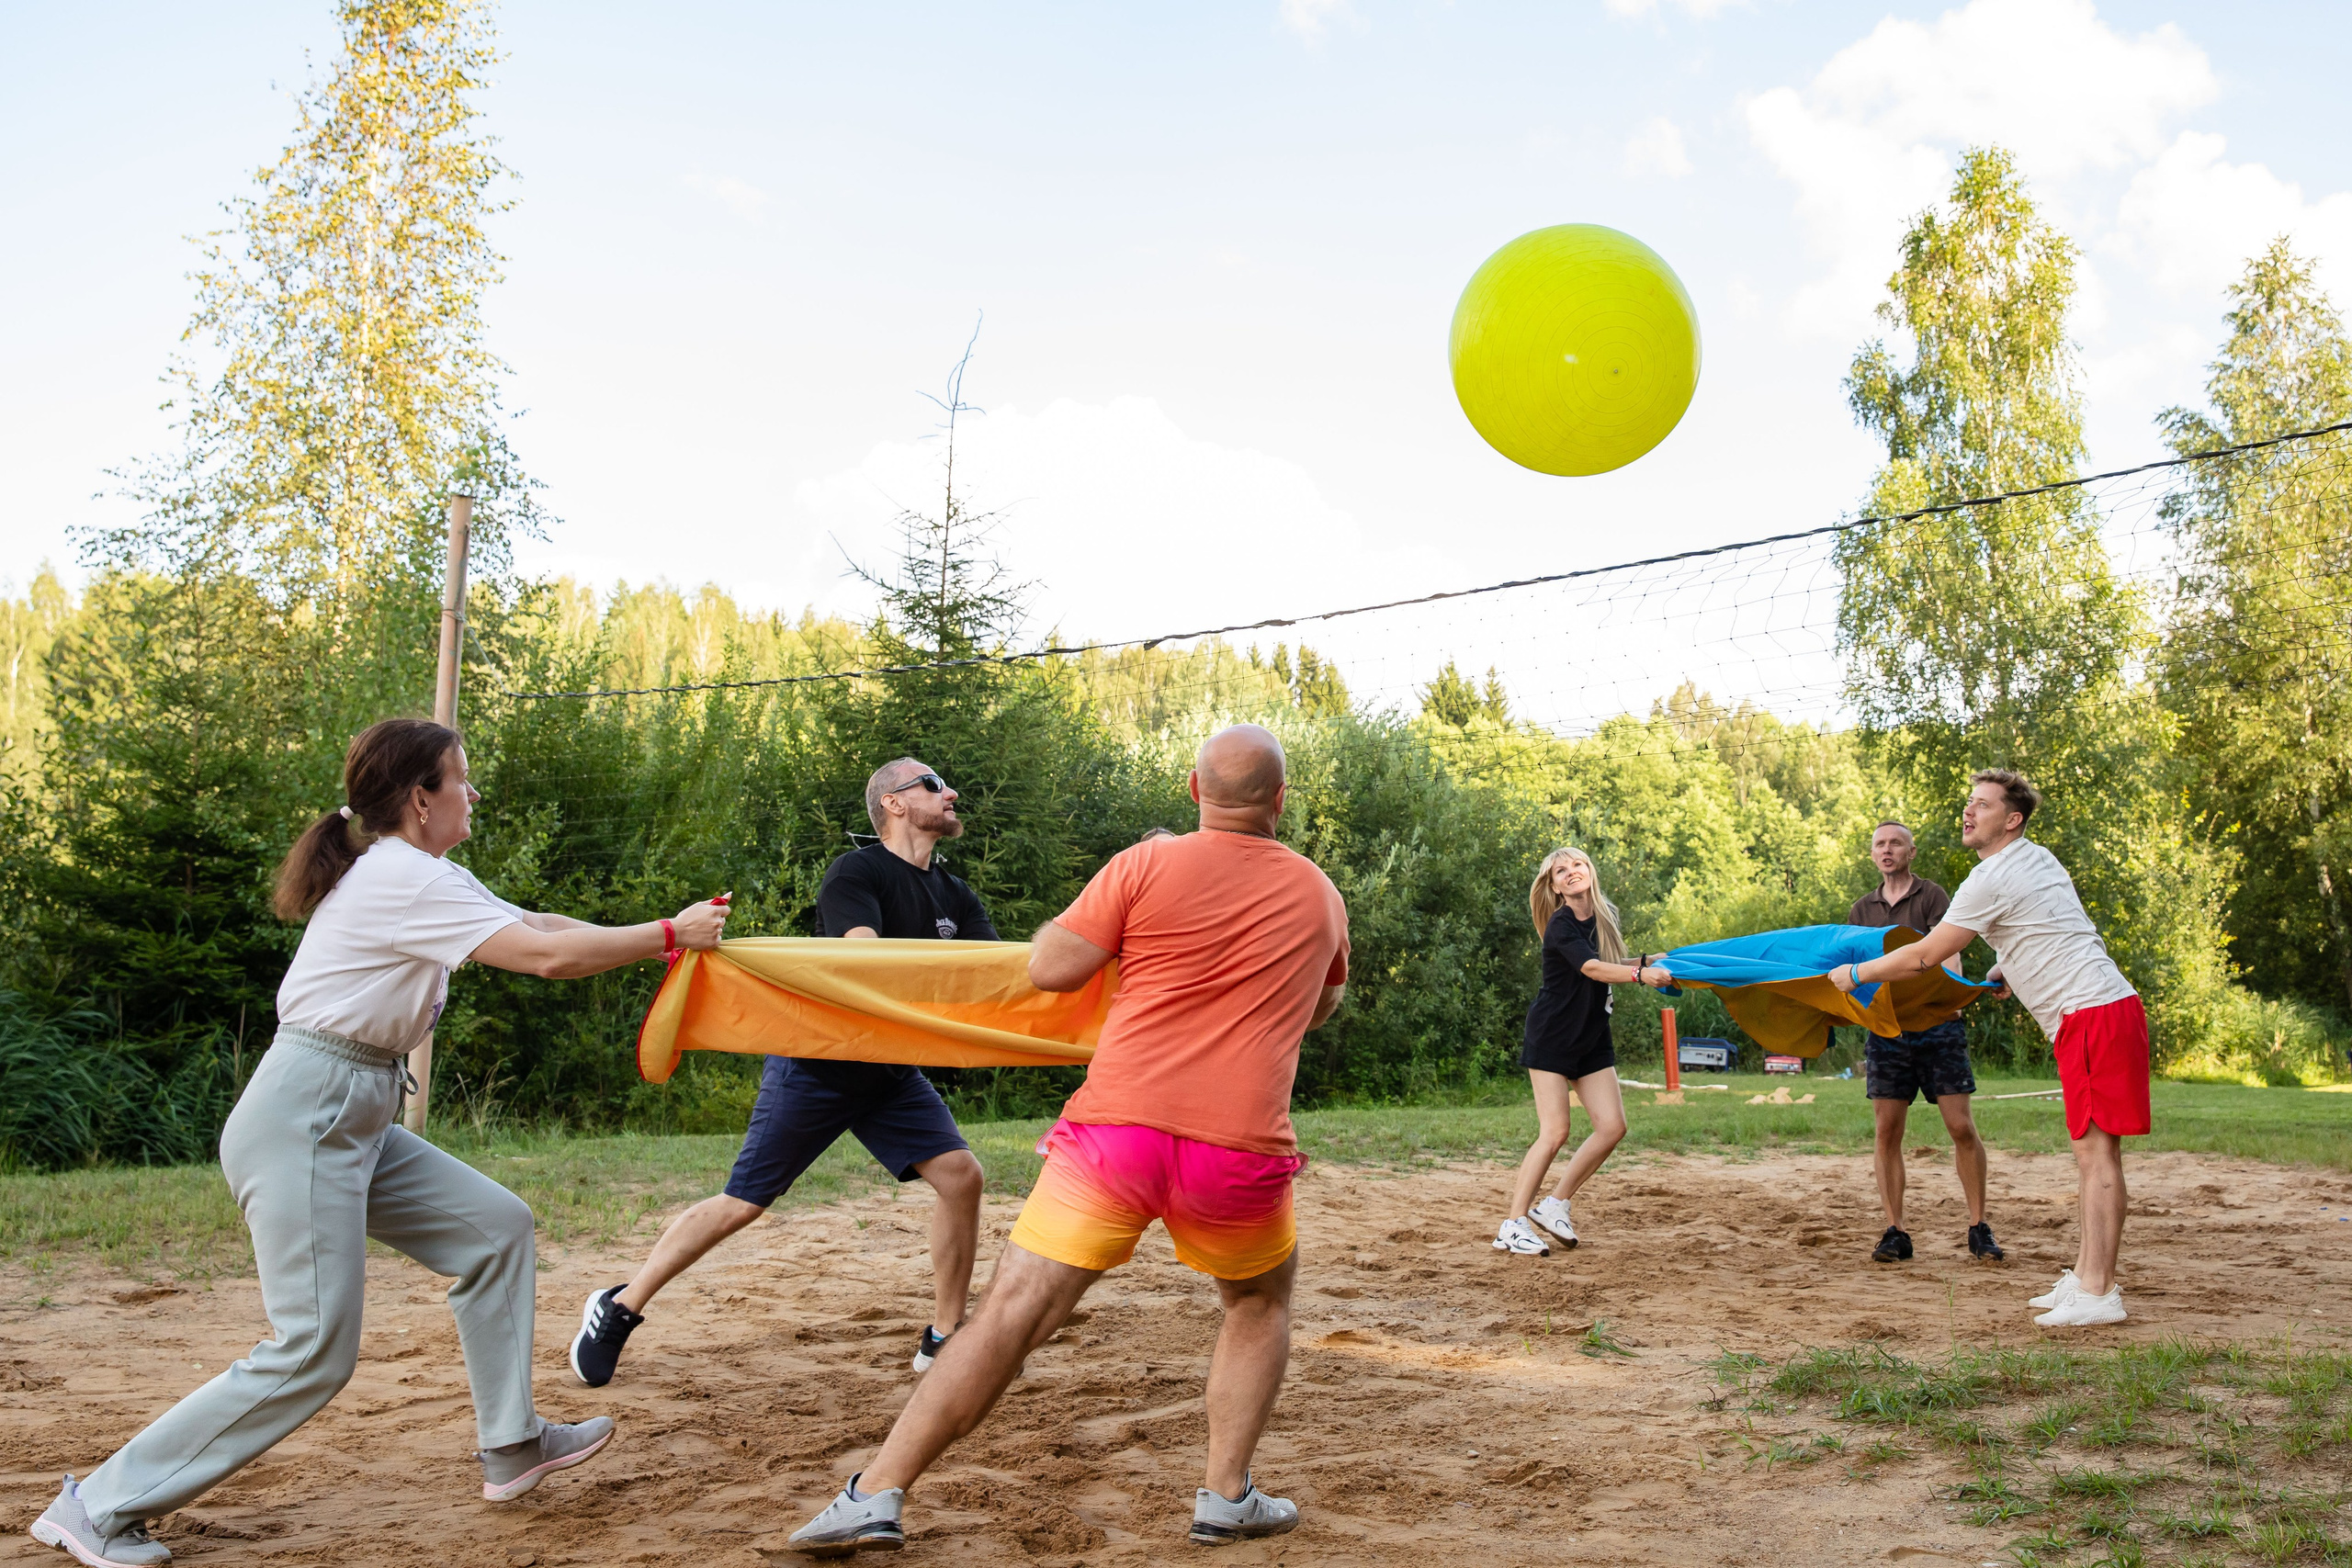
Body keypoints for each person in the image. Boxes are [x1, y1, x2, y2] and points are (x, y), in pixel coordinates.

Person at [31, 717, 729, 1568]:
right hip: (307, 1114)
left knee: (494, 1227)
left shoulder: (425, 871)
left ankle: (512, 1445)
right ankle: (97, 1504)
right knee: (314, 1348)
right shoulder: (400, 877)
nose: (473, 792)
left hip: (349, 1109)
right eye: (462, 779)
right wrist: (665, 934)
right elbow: (547, 963)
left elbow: (541, 926)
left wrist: (664, 940)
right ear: (419, 798)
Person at [787, 724, 1348, 1554]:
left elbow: (1051, 966)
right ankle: (1226, 1495)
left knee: (1011, 1312)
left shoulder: (1143, 863)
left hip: (1113, 1134)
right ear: (1280, 799)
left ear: (1195, 793)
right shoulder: (1320, 893)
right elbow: (1324, 1006)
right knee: (1259, 1301)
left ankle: (875, 1491)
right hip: (1240, 1147)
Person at [568, 758, 991, 1388]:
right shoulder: (857, 871)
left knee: (961, 1176)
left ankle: (946, 1334)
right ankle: (620, 1304)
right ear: (894, 804)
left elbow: (998, 972)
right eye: (932, 783)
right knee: (744, 1202)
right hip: (819, 1067)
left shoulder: (954, 893)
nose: (949, 791)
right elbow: (862, 958)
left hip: (890, 1072)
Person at [1834, 770, 2146, 1328]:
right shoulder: (2035, 860)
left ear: (2012, 819)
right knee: (2091, 1153)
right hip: (2094, 1013)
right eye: (1968, 803)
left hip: (2093, 1014)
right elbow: (2055, 924)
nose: (1968, 812)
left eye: (1982, 805)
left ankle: (2099, 1291)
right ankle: (2084, 1278)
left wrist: (1856, 972)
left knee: (2097, 1156)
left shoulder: (1991, 877)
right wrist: (2006, 964)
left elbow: (1925, 955)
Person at [1495, 848, 1671, 1257]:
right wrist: (1641, 975)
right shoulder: (1560, 925)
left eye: (1577, 865)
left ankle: (1555, 1205)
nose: (1571, 872)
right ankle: (1513, 1223)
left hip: (1591, 1037)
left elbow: (1604, 961)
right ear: (1554, 886)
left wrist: (1649, 960)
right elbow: (1591, 969)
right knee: (1555, 1132)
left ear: (1589, 871)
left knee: (1612, 1127)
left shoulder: (1602, 916)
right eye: (1561, 870)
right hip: (1553, 1035)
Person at [1848, 820, 2002, 1266]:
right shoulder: (1862, 909)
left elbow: (1946, 952)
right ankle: (1895, 1231)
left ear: (1911, 851)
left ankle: (1978, 1227)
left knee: (1960, 1127)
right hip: (1887, 1031)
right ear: (1873, 854)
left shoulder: (1933, 896)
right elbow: (1851, 966)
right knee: (1887, 1132)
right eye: (1880, 844)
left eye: (1896, 843)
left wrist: (1952, 993)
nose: (1887, 849)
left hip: (1939, 1026)